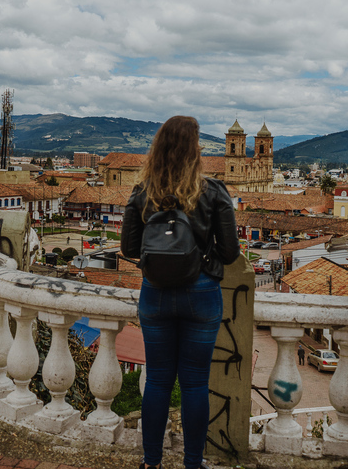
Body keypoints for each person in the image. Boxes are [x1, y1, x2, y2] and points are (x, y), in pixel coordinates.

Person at [121, 116, 240, 469]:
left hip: (155, 294)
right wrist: (204, 263)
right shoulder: (214, 190)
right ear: (195, 150)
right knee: (194, 384)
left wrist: (157, 262)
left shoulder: (142, 192)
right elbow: (231, 252)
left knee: (157, 380)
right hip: (201, 294)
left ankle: (151, 462)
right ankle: (192, 463)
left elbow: (128, 246)